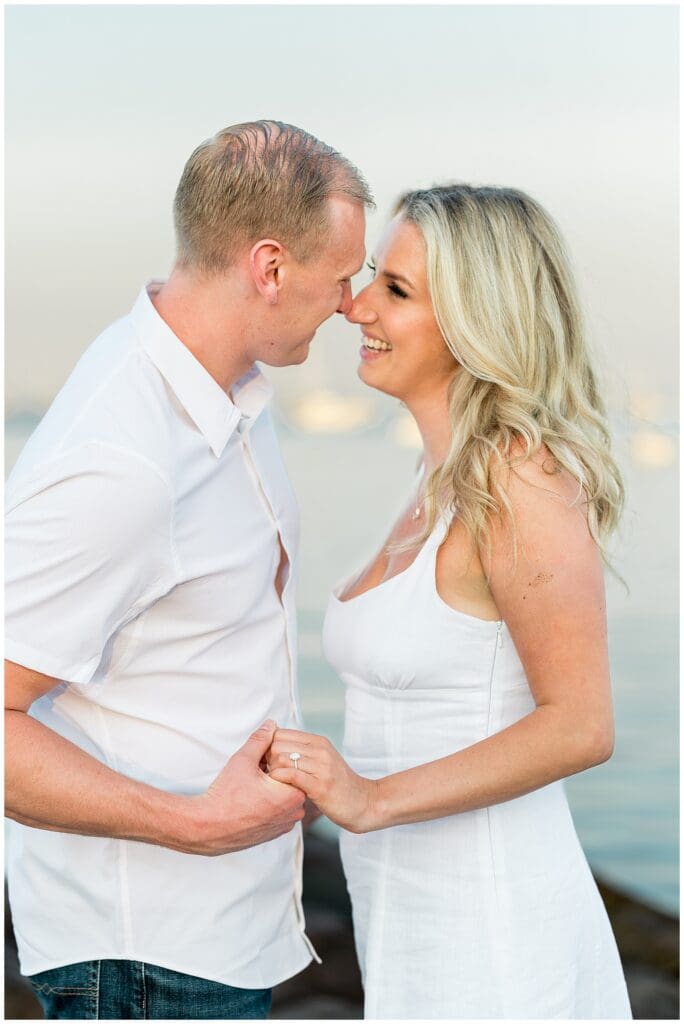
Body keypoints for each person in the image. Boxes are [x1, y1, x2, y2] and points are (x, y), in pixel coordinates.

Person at [4, 120, 371, 1020]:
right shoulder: (126, 458)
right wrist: (195, 825)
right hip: (143, 960)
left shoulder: (233, 394)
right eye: (342, 275)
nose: (353, 301)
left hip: (217, 935)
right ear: (271, 267)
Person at [265, 184, 633, 1019]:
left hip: (498, 939)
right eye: (372, 280)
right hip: (409, 929)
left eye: (395, 291)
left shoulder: (522, 478)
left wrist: (368, 799)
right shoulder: (437, 479)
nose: (355, 306)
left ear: (476, 321)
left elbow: (581, 724)